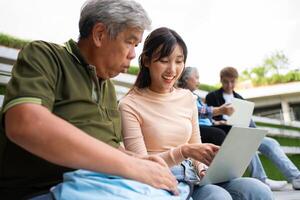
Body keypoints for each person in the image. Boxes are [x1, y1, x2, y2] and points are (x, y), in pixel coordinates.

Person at [0, 0, 179, 199]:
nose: (132, 54)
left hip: (101, 185)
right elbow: (25, 123)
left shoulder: (108, 87)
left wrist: (139, 160)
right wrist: (131, 165)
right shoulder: (46, 56)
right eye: (130, 42)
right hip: (44, 190)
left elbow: (108, 146)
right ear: (99, 34)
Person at [119, 27, 273, 200]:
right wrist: (184, 151)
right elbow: (141, 165)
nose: (172, 69)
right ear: (146, 61)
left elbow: (195, 145)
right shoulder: (129, 105)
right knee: (218, 197)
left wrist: (203, 168)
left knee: (259, 190)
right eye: (164, 60)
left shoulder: (187, 98)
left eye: (179, 61)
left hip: (195, 177)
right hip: (163, 181)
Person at [205, 66, 300, 190]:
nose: (229, 85)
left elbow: (248, 121)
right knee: (247, 143)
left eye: (232, 82)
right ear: (221, 80)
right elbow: (209, 119)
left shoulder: (240, 98)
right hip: (226, 134)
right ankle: (261, 179)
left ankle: (296, 177)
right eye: (226, 82)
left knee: (271, 143)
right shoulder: (212, 96)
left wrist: (257, 134)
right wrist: (223, 122)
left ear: (236, 81)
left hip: (243, 131)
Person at [177, 66, 234, 145]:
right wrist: (220, 110)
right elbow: (197, 111)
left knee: (231, 130)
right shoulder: (181, 94)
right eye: (196, 78)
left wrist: (216, 122)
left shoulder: (195, 96)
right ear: (186, 78)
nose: (199, 82)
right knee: (219, 134)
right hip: (194, 128)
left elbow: (204, 116)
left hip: (206, 126)